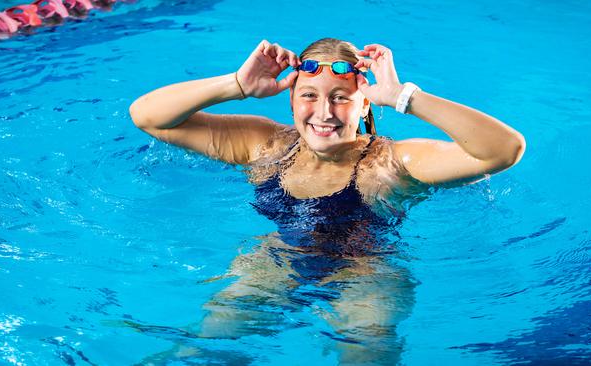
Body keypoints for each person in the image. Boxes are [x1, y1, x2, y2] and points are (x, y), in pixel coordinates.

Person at [129, 38, 525, 364]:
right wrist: (236, 84)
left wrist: (404, 97)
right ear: (290, 100)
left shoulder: (391, 163)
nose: (324, 113)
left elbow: (502, 150)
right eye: (309, 96)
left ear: (365, 103)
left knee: (366, 355)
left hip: (366, 277)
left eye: (340, 98)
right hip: (275, 262)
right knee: (203, 351)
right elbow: (147, 116)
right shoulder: (266, 146)